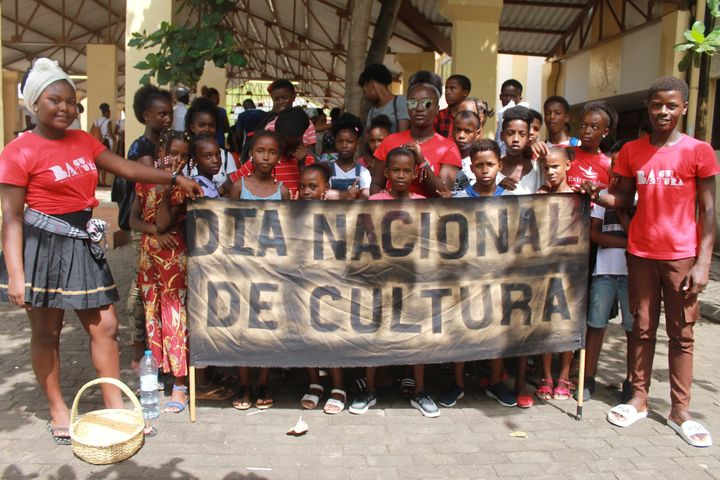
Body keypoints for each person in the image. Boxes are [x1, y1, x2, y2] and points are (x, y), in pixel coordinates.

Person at [0, 58, 202, 444]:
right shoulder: (18, 151)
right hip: (42, 246)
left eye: (71, 101)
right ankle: (58, 408)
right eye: (54, 99)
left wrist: (174, 177)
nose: (65, 108)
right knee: (47, 332)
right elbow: (11, 218)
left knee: (106, 327)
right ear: (34, 103)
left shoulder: (83, 141)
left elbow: (128, 170)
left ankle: (115, 408)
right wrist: (15, 273)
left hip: (82, 243)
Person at [580, 77, 718, 448]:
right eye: (657, 105)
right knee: (640, 329)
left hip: (681, 257)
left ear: (683, 108)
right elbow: (621, 198)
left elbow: (708, 210)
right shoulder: (632, 152)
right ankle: (638, 399)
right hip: (640, 253)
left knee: (682, 335)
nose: (663, 112)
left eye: (671, 105)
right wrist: (596, 192)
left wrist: (703, 262)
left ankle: (680, 411)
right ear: (649, 107)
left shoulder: (699, 151)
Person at [130, 130, 192, 414]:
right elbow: (134, 219)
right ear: (160, 153)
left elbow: (166, 222)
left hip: (173, 256)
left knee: (174, 314)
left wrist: (168, 187)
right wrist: (153, 231)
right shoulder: (143, 179)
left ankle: (180, 383)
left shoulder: (181, 186)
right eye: (172, 153)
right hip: (149, 254)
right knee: (151, 314)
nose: (177, 159)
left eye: (183, 155)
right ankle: (152, 376)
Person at [227, 130, 289, 411]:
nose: (266, 157)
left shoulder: (283, 191)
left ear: (278, 157)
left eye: (272, 152)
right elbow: (227, 227)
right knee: (243, 328)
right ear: (251, 153)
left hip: (272, 271)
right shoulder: (239, 187)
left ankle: (263, 382)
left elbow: (290, 232)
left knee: (268, 328)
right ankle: (244, 383)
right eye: (260, 151)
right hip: (242, 268)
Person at [579, 139, 634, 403]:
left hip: (632, 274)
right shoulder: (601, 197)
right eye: (614, 165)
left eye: (622, 166)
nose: (616, 171)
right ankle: (588, 378)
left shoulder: (637, 199)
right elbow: (596, 235)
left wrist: (621, 209)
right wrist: (630, 243)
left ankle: (633, 381)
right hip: (604, 270)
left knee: (633, 329)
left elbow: (639, 232)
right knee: (596, 325)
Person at [123, 84, 173, 370]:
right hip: (146, 226)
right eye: (161, 114)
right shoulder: (142, 149)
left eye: (169, 114)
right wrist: (154, 230)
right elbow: (153, 185)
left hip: (162, 227)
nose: (167, 119)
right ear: (146, 116)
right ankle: (139, 349)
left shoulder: (164, 146)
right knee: (139, 291)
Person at [294, 163, 347, 414]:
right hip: (302, 284)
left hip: (330, 286)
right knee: (307, 338)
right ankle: (315, 382)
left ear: (325, 190)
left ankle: (338, 387)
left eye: (313, 187)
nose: (306, 191)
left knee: (330, 338)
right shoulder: (291, 215)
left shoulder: (335, 215)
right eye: (302, 186)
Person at [371, 70, 461, 198]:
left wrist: (422, 162)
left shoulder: (449, 148)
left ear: (436, 109)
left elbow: (443, 194)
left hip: (430, 216)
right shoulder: (390, 141)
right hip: (392, 214)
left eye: (426, 104)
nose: (419, 108)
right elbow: (376, 183)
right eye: (413, 103)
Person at [230, 107, 314, 195]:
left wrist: (301, 165)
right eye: (282, 142)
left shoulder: (306, 159)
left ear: (300, 138)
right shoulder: (263, 159)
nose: (284, 146)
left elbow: (311, 193)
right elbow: (231, 184)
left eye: (290, 144)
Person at [185, 96, 237, 193]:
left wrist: (213, 194)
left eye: (211, 125)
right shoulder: (184, 156)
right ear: (192, 127)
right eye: (202, 125)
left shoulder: (226, 156)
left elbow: (233, 184)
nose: (207, 129)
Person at [318, 112, 371, 199]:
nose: (344, 145)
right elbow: (321, 192)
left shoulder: (363, 172)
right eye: (340, 141)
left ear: (357, 144)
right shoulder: (327, 170)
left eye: (349, 141)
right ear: (335, 143)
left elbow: (366, 195)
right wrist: (347, 194)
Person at [496, 106, 543, 195]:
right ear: (502, 135)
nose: (516, 139)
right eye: (510, 133)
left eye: (522, 134)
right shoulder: (492, 168)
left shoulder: (538, 167)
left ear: (528, 137)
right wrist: (498, 189)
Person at [359, 63, 410, 133]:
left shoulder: (400, 102)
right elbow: (368, 140)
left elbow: (403, 135)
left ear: (371, 84)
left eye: (365, 91)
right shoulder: (372, 112)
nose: (366, 95)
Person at [451, 110, 483, 192]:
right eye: (458, 130)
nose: (461, 135)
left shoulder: (483, 161)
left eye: (467, 131)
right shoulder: (444, 158)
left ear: (478, 133)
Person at [495, 79, 528, 156]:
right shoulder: (501, 115)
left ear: (520, 98)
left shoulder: (525, 118)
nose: (508, 100)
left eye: (513, 96)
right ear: (500, 97)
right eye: (505, 95)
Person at [188, 133, 223, 199]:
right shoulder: (200, 189)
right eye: (208, 156)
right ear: (195, 160)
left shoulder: (208, 183)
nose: (216, 160)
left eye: (218, 154)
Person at [92, 102, 115, 186]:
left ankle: (97, 180)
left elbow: (91, 131)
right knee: (105, 162)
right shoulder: (108, 121)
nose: (109, 114)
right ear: (106, 112)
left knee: (97, 162)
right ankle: (103, 181)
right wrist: (115, 139)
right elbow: (110, 132)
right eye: (109, 112)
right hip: (105, 141)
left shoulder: (96, 120)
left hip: (97, 142)